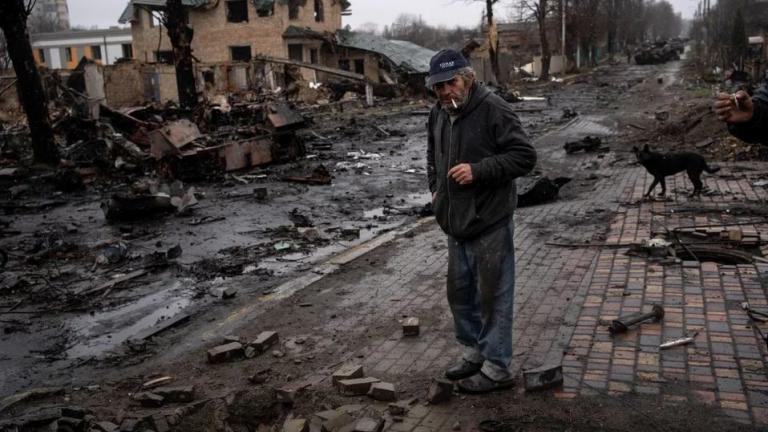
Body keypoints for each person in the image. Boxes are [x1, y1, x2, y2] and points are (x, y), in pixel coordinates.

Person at [425, 49, 537, 393]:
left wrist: (478, 171)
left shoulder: (493, 109)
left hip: (490, 220)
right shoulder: (439, 114)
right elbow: (433, 156)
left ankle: (497, 367)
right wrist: (436, 193)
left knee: (493, 297)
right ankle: (473, 352)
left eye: (451, 83)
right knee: (459, 294)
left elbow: (524, 157)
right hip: (455, 222)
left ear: (468, 78)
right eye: (438, 86)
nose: (445, 92)